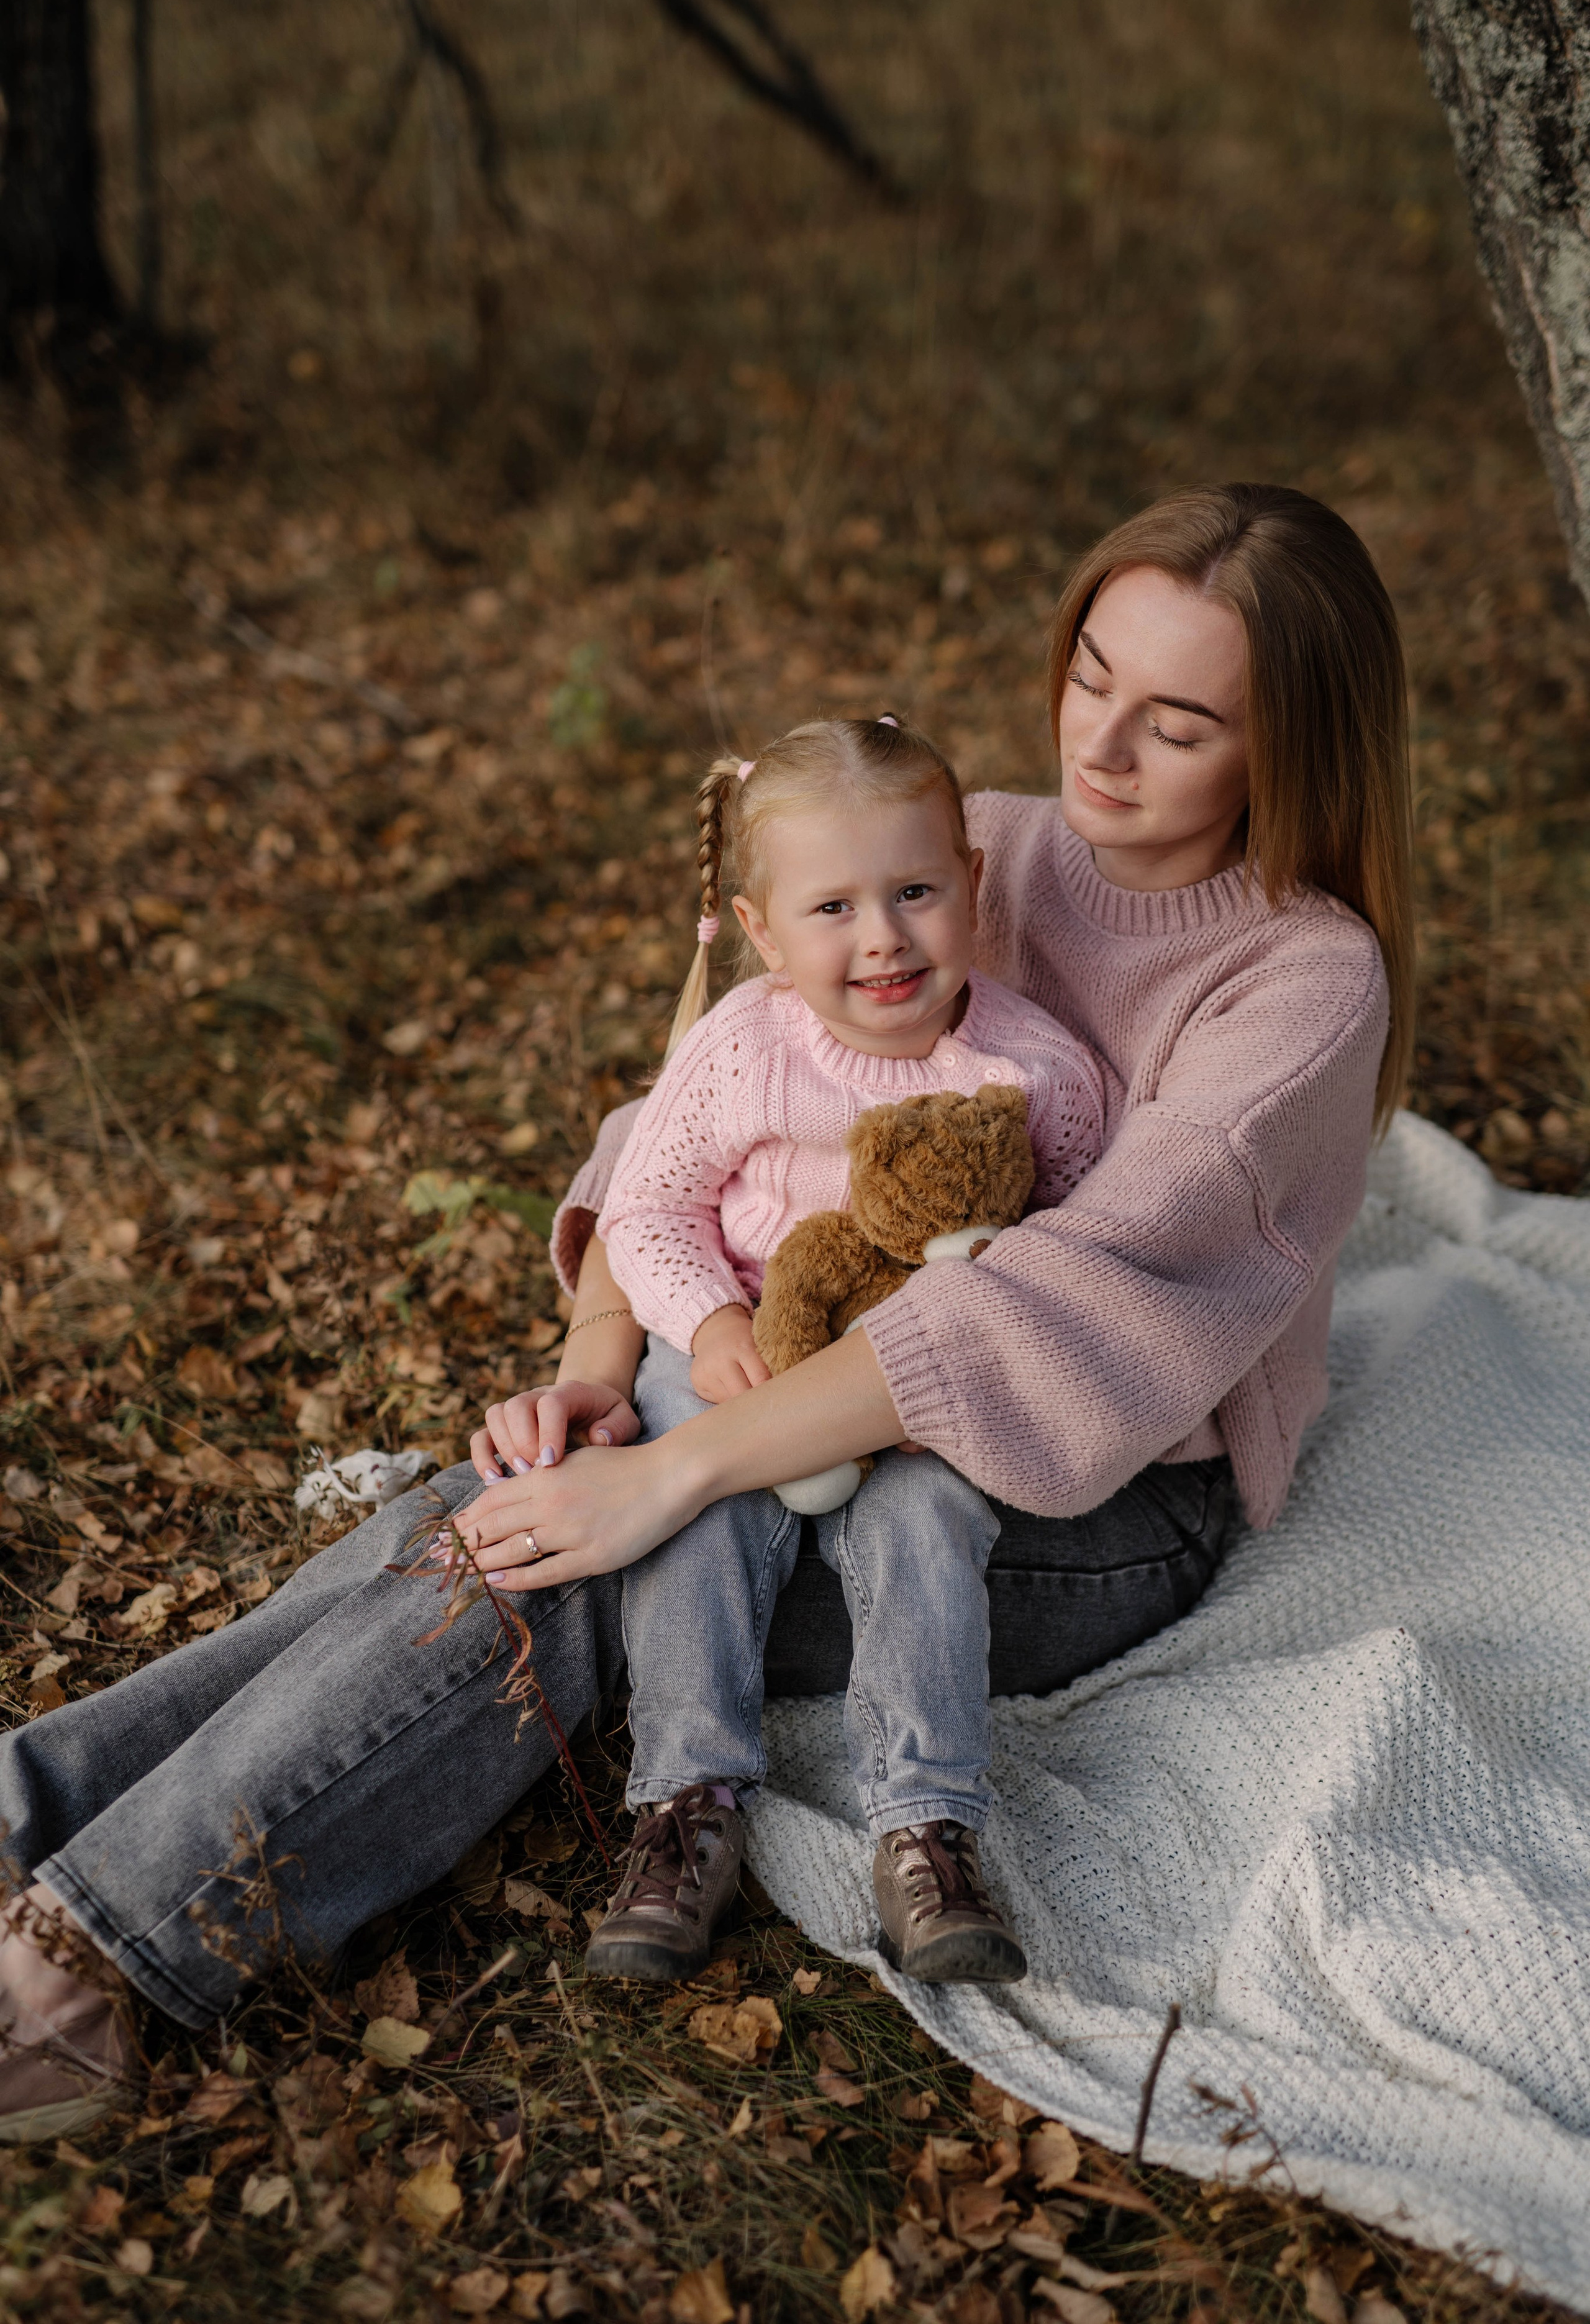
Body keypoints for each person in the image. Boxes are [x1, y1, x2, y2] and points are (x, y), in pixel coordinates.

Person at [0, 483, 1412, 2142]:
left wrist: (672, 1474)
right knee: (516, 1515)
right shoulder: (982, 844)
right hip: (792, 1382)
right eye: (1089, 676)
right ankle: (34, 1817)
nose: (1099, 746)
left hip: (1079, 1493)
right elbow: (694, 1108)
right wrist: (603, 1374)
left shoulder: (1301, 983)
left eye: (1175, 725)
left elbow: (1043, 1305)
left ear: (1289, 748)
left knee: (583, 1564)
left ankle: (90, 1965)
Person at [525, 713, 1106, 1985]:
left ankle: (925, 1826)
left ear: (972, 881)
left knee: (925, 1526)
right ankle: (685, 1807)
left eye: (914, 893)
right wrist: (712, 1324)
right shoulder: (745, 1046)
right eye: (833, 908)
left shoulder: (1035, 1072)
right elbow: (647, 1208)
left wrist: (955, 1381)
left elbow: (1065, 1252)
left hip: (909, 1384)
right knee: (694, 1519)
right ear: (763, 930)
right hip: (732, 1342)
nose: (882, 937)